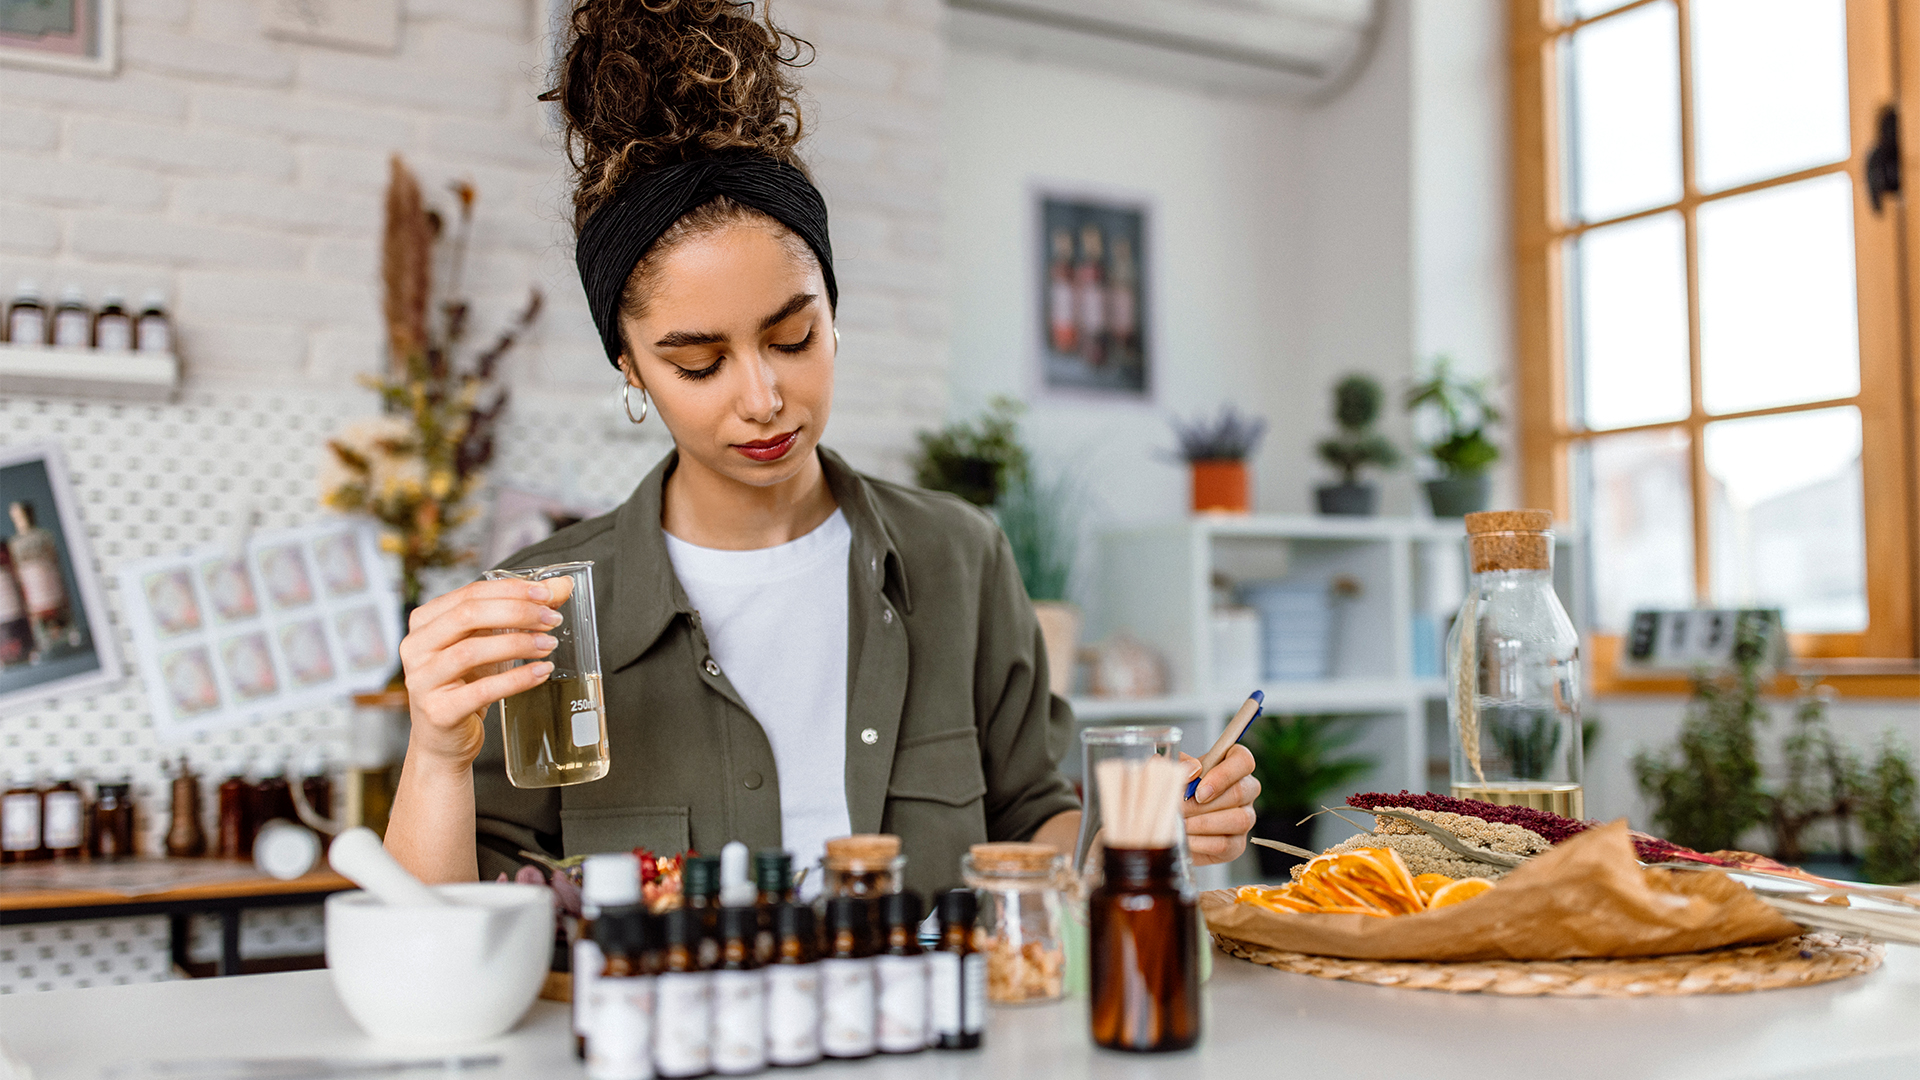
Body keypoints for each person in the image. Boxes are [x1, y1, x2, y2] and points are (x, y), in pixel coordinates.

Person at [382, 0, 1258, 898]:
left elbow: (1034, 819)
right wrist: (438, 752)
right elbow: (444, 918)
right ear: (634, 371)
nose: (762, 399)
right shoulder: (547, 610)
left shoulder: (958, 560)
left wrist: (1154, 831)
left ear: (835, 317)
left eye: (793, 338)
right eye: (698, 362)